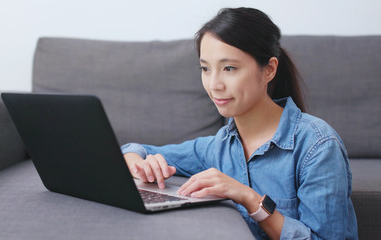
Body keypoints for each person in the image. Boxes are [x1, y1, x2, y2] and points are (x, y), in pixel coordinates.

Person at [121, 7, 358, 240]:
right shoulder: (219, 146)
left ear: (269, 70)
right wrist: (139, 165)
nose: (214, 84)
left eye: (229, 68)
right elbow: (135, 149)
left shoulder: (318, 146)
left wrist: (249, 198)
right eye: (205, 68)